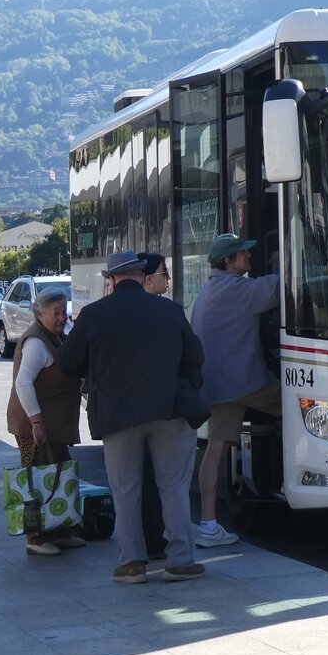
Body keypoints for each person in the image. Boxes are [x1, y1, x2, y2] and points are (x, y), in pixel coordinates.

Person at [58, 250, 206, 584]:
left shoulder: (94, 315)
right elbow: (195, 356)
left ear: (111, 279)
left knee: (125, 490)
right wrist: (184, 386)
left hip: (117, 413)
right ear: (142, 276)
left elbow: (68, 363)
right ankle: (180, 560)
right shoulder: (169, 310)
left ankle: (132, 564)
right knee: (173, 487)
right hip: (169, 408)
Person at [191, 233, 280, 548]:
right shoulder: (237, 289)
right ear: (228, 261)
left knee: (215, 450)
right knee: (306, 405)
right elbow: (283, 286)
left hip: (216, 387)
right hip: (246, 384)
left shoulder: (211, 289)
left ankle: (208, 523)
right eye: (243, 255)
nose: (249, 258)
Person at [5, 288, 84, 556]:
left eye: (64, 311)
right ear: (39, 315)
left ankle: (60, 531)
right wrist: (36, 421)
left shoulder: (56, 337)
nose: (62, 318)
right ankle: (35, 538)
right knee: (36, 477)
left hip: (55, 424)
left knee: (59, 474)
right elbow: (23, 382)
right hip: (34, 425)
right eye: (56, 313)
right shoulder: (36, 343)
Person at [137, 251, 171, 560]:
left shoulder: (115, 311)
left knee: (134, 483)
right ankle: (153, 539)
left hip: (125, 413)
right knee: (157, 480)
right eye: (164, 273)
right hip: (159, 410)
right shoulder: (165, 312)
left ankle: (139, 547)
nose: (169, 279)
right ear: (148, 279)